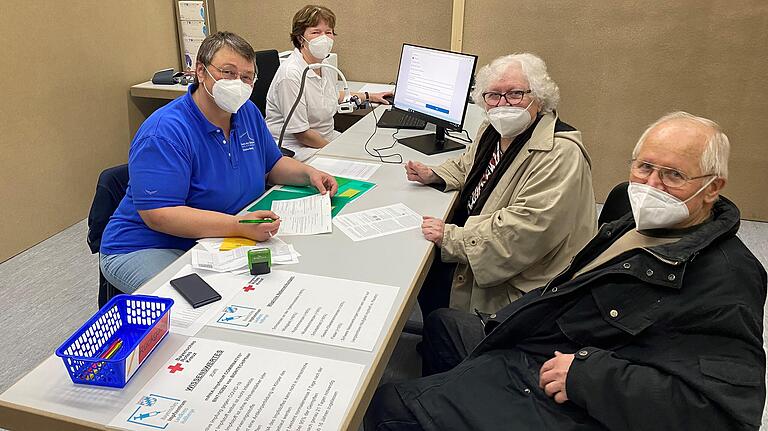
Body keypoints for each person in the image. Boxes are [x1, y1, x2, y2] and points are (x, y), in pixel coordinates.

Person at [365, 112, 767, 431]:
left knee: (389, 405)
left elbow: (723, 416)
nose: (652, 185)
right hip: (544, 339)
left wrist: (589, 376)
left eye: (674, 175)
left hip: (570, 389)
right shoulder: (633, 216)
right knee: (442, 324)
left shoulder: (728, 279)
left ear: (713, 187)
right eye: (644, 167)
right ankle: (456, 398)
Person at [100, 31, 338, 294]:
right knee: (198, 306)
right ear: (201, 72)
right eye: (228, 72)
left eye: (247, 77)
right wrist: (239, 226)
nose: (238, 83)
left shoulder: (246, 111)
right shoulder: (165, 131)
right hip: (148, 245)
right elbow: (160, 215)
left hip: (218, 236)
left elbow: (272, 165)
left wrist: (309, 174)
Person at [405, 53, 596, 317]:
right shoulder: (493, 131)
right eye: (493, 95)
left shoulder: (560, 153)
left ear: (539, 98)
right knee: (418, 259)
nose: (503, 104)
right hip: (484, 241)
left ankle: (452, 341)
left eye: (515, 94)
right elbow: (469, 165)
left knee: (424, 272)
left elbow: (524, 231)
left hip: (524, 278)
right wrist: (436, 174)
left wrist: (451, 237)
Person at [265, 4, 393, 161]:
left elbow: (330, 95)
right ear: (300, 38)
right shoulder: (291, 75)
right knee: (356, 165)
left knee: (371, 152)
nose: (323, 38)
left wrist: (369, 96)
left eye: (328, 32)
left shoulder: (322, 65)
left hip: (324, 140)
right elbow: (301, 134)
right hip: (296, 149)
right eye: (316, 32)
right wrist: (336, 151)